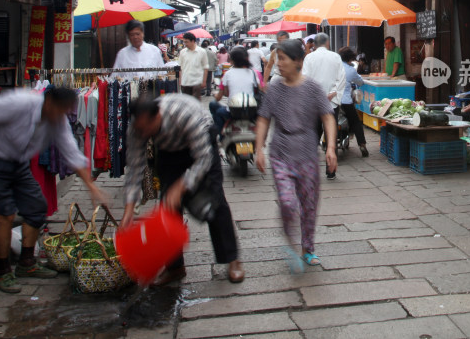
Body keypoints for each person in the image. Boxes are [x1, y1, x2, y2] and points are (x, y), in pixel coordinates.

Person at [0, 88, 108, 293]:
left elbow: (71, 152)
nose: (62, 115)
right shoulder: (19, 103)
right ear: (48, 102)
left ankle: (26, 264)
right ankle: (3, 271)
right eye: (60, 109)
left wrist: (92, 187)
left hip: (17, 162)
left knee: (37, 207)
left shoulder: (58, 120)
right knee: (6, 213)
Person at [121, 95, 244, 284]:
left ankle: (232, 258)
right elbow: (135, 167)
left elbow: (203, 159)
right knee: (167, 206)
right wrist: (129, 209)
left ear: (157, 117)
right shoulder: (137, 129)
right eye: (140, 129)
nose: (144, 133)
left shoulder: (183, 115)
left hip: (201, 143)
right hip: (170, 152)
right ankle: (175, 267)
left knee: (215, 199)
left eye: (147, 128)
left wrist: (181, 186)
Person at [254, 39, 337, 271]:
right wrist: (258, 148)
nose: (278, 64)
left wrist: (330, 147)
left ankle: (307, 249)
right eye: (277, 59)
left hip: (308, 153)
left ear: (298, 61)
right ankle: (291, 242)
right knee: (288, 202)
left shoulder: (312, 88)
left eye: (282, 59)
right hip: (280, 152)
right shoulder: (275, 89)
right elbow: (263, 119)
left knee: (309, 205)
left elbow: (328, 116)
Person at [301, 33, 346, 180]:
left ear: (314, 44)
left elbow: (305, 79)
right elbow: (341, 78)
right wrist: (334, 94)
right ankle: (331, 170)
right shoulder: (335, 57)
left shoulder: (309, 57)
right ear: (327, 43)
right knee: (331, 137)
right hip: (331, 103)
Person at [210, 47, 263, 134]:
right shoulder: (253, 73)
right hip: (250, 112)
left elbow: (219, 97)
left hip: (232, 112)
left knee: (214, 107)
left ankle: (221, 135)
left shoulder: (227, 74)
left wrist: (214, 94)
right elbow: (260, 88)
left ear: (232, 60)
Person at [338, 47, 369, 157]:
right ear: (350, 58)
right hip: (346, 101)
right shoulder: (350, 70)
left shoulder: (334, 66)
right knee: (356, 122)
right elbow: (360, 82)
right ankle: (362, 144)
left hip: (333, 100)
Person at [178, 32, 208, 100]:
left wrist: (204, 81)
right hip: (185, 81)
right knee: (186, 102)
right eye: (184, 42)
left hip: (196, 81)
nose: (185, 44)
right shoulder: (182, 52)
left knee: (195, 102)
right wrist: (180, 79)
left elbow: (205, 67)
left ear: (193, 41)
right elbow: (180, 67)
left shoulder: (202, 51)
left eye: (187, 42)